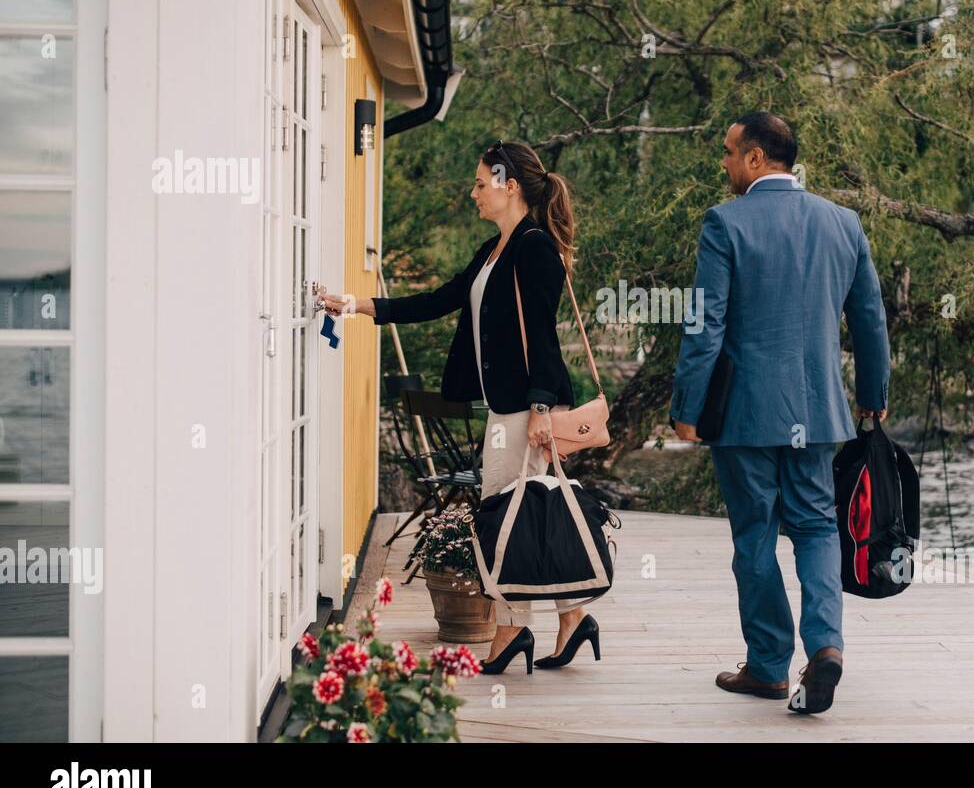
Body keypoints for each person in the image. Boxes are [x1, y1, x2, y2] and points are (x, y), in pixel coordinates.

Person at [319, 141, 600, 675]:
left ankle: (511, 628)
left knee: (502, 516)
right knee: (524, 512)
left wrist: (541, 407)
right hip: (508, 405)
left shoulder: (534, 247)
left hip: (526, 407)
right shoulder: (495, 249)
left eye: (479, 183)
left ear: (508, 184)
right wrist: (358, 305)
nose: (472, 192)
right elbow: (441, 299)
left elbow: (541, 334)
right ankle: (572, 616)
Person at [669, 112, 890, 715]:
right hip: (819, 410)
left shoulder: (725, 223)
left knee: (755, 536)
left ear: (758, 159)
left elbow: (703, 323)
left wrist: (688, 407)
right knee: (819, 528)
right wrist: (873, 391)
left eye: (729, 153)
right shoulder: (843, 223)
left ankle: (768, 666)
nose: (724, 164)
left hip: (745, 415)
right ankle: (825, 648)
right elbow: (870, 318)